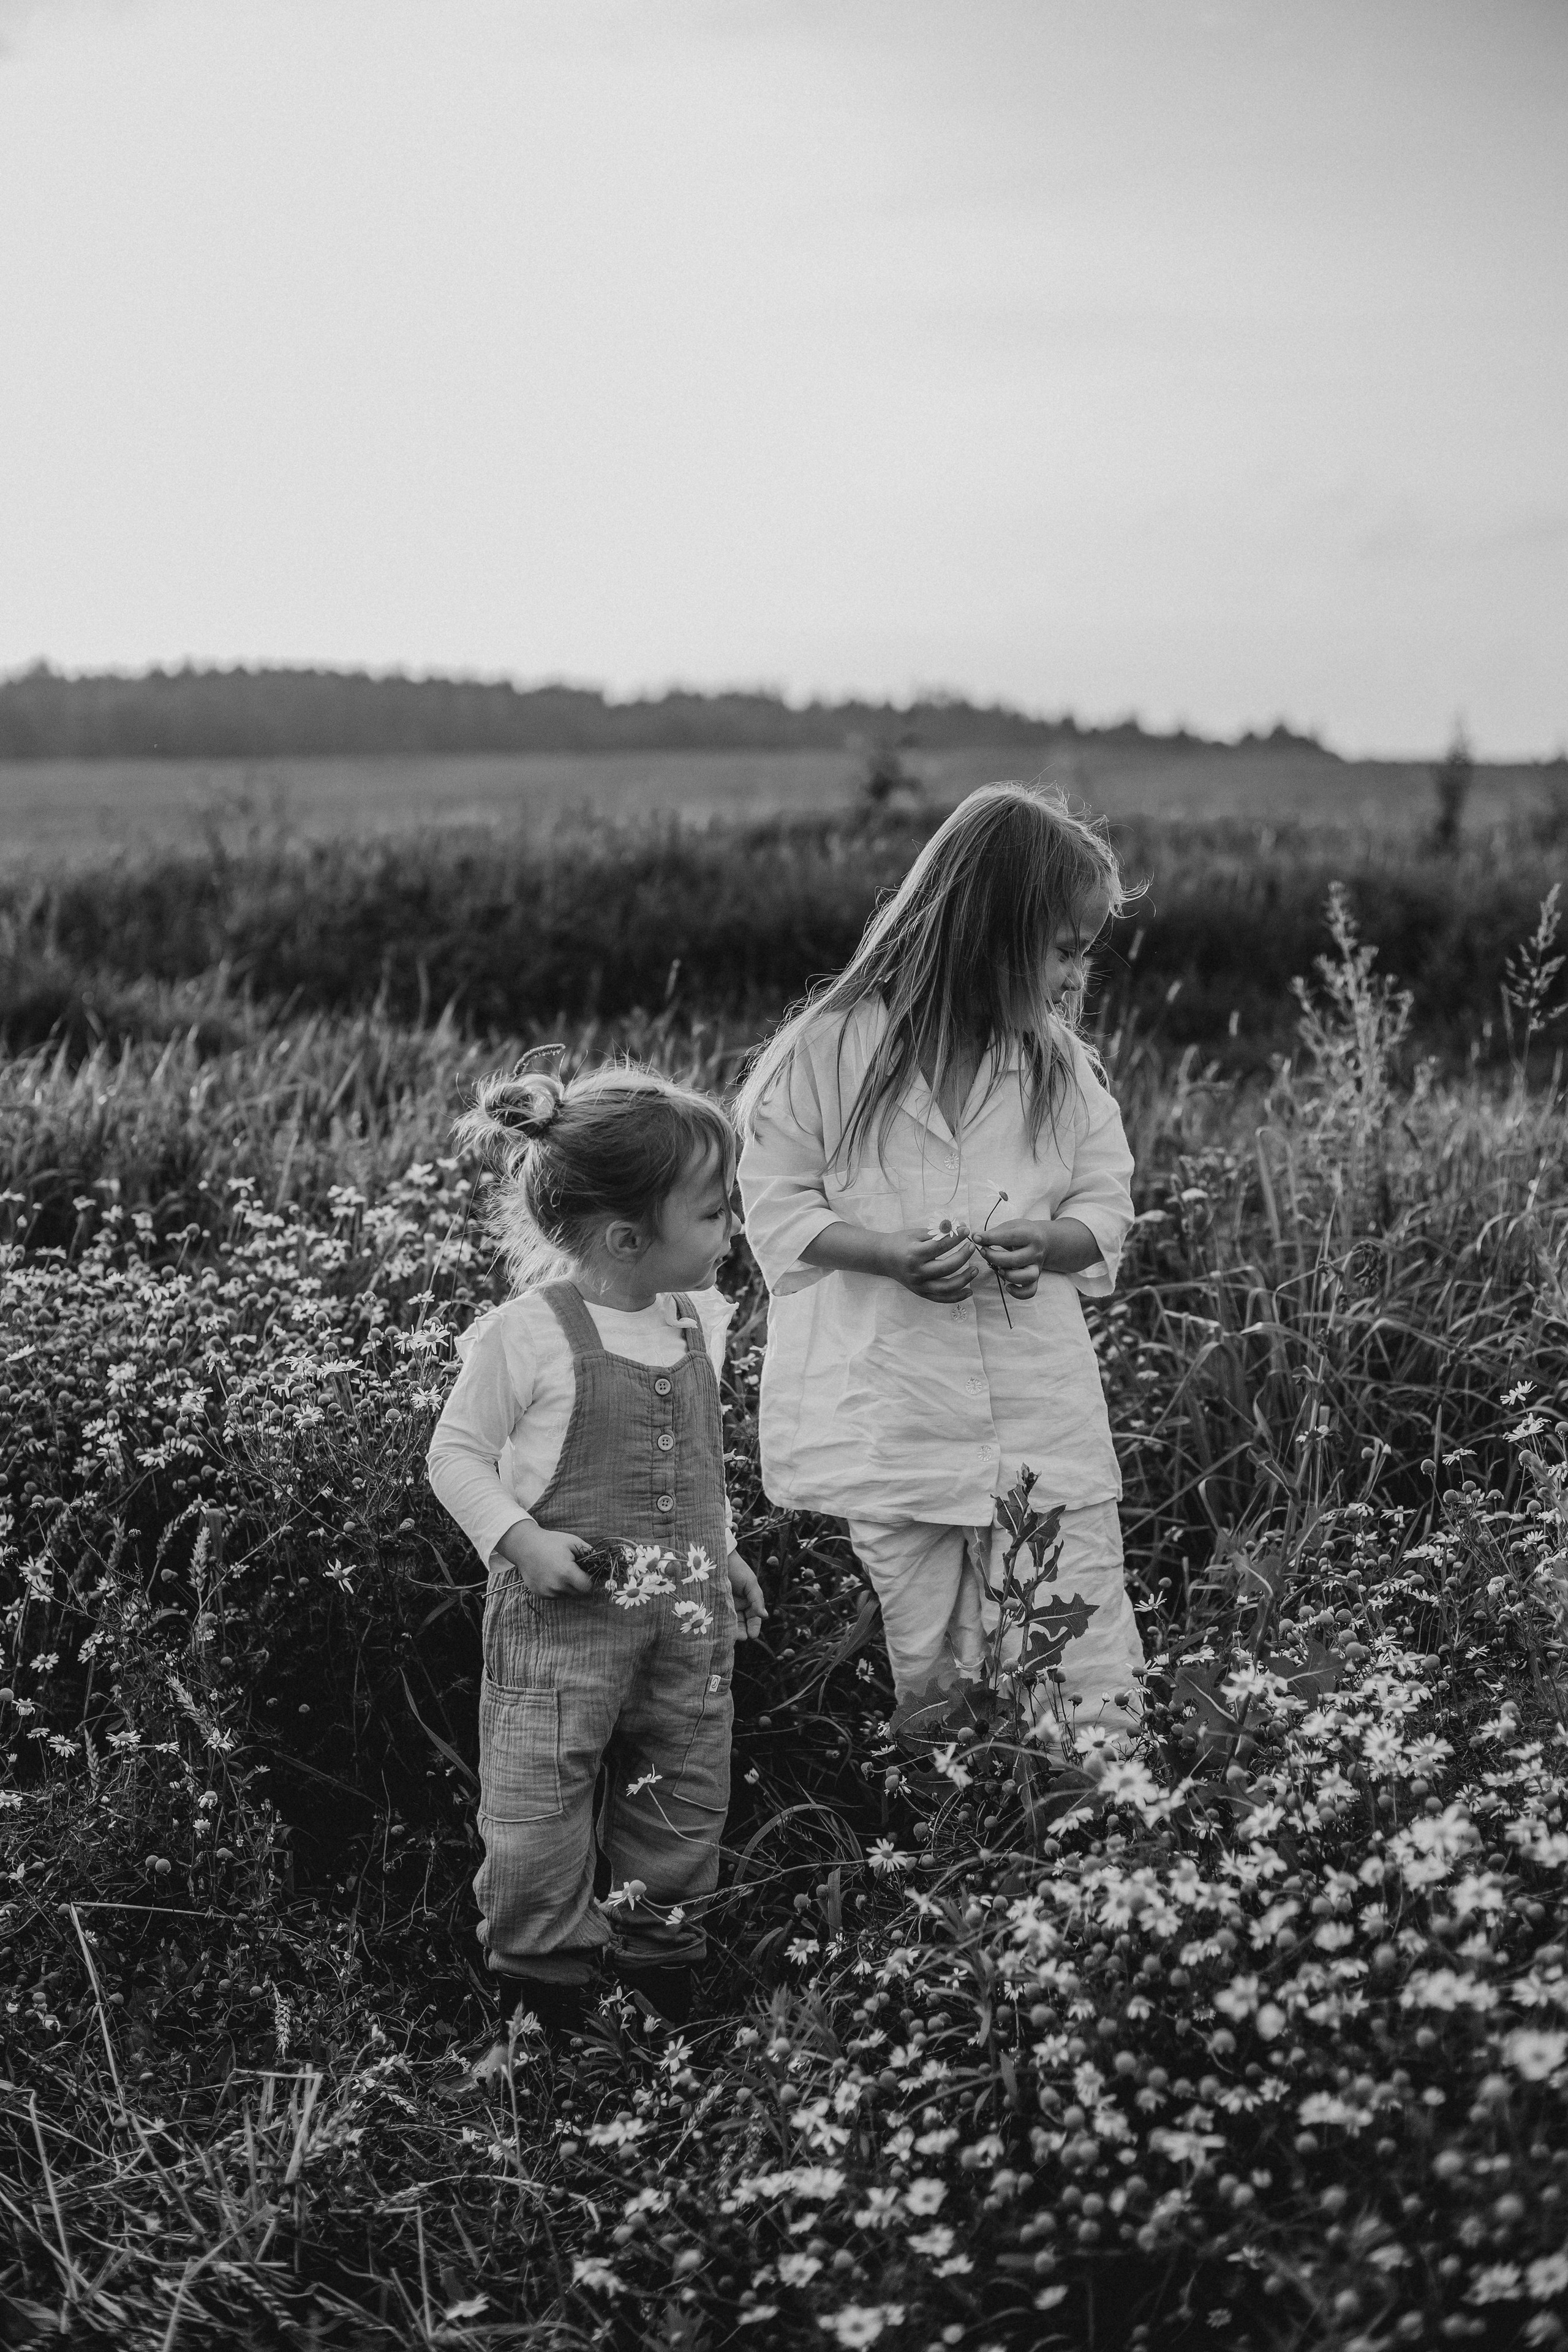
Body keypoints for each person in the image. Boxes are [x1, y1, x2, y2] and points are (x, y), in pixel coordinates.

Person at [735, 783, 1143, 1738]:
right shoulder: (833, 1050)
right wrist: (883, 1253)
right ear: (990, 933)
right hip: (899, 1417)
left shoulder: (1058, 1067)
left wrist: (1052, 1242)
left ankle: (1098, 1820)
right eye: (1064, 950)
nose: (1078, 979)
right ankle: (960, 1829)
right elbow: (775, 1200)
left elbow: (1105, 1202)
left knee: (1079, 1653)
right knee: (933, 1667)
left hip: (1038, 1412)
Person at [427, 1057, 766, 2043]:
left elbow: (696, 1462)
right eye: (712, 1214)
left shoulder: (697, 1323)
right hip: (562, 1630)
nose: (732, 1230)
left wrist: (727, 1549)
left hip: (688, 1628)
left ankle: (661, 1977)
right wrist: (518, 1537)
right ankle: (545, 1992)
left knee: (684, 1798)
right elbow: (455, 1455)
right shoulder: (528, 1336)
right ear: (628, 1237)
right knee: (538, 1805)